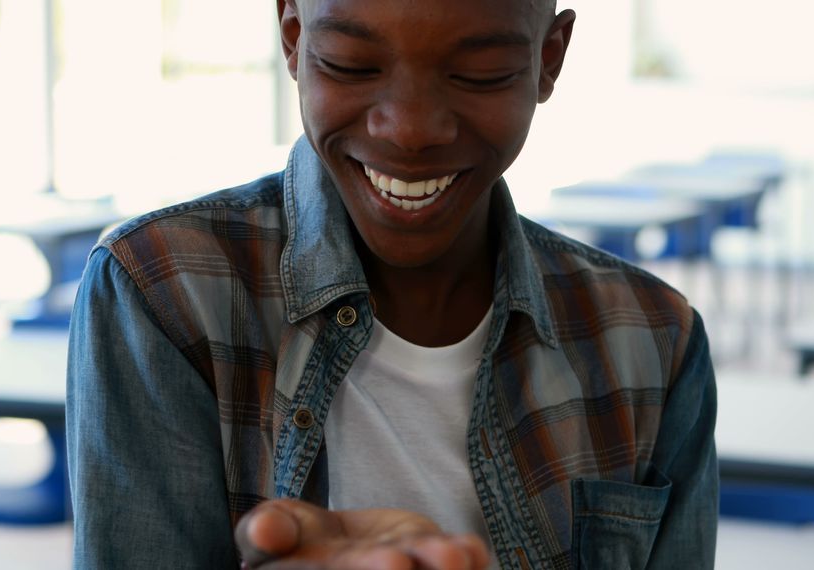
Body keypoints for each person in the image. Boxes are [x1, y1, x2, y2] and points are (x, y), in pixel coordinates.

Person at [66, 0, 718, 568]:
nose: (408, 130)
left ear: (549, 58)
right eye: (350, 64)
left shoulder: (653, 341)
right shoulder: (161, 293)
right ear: (292, 36)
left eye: (479, 75)